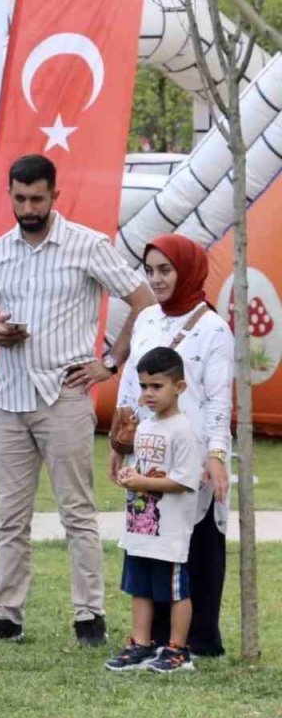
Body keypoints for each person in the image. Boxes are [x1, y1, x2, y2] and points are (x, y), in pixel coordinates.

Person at [0, 154, 152, 646]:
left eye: (36, 198)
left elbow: (143, 301)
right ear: (9, 195)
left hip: (65, 395)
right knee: (10, 515)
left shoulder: (88, 245)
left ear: (54, 196)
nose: (27, 207)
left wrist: (110, 364)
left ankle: (90, 617)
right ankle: (6, 615)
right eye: (19, 198)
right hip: (8, 398)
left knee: (77, 512)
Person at [112, 235, 232, 658]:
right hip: (147, 453)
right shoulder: (146, 320)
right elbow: (129, 390)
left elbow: (219, 401)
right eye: (150, 270)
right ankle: (148, 638)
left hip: (191, 454)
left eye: (166, 269)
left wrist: (216, 457)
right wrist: (119, 445)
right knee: (149, 537)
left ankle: (192, 640)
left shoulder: (214, 329)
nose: (156, 279)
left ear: (187, 270)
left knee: (189, 539)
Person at [106, 348, 204, 674]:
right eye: (144, 386)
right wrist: (128, 477)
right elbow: (142, 470)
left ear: (179, 387)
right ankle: (141, 644)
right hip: (139, 528)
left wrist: (142, 481)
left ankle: (178, 650)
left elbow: (184, 480)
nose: (148, 393)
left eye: (157, 386)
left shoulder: (183, 430)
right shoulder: (145, 427)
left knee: (176, 591)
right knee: (139, 588)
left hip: (169, 531)